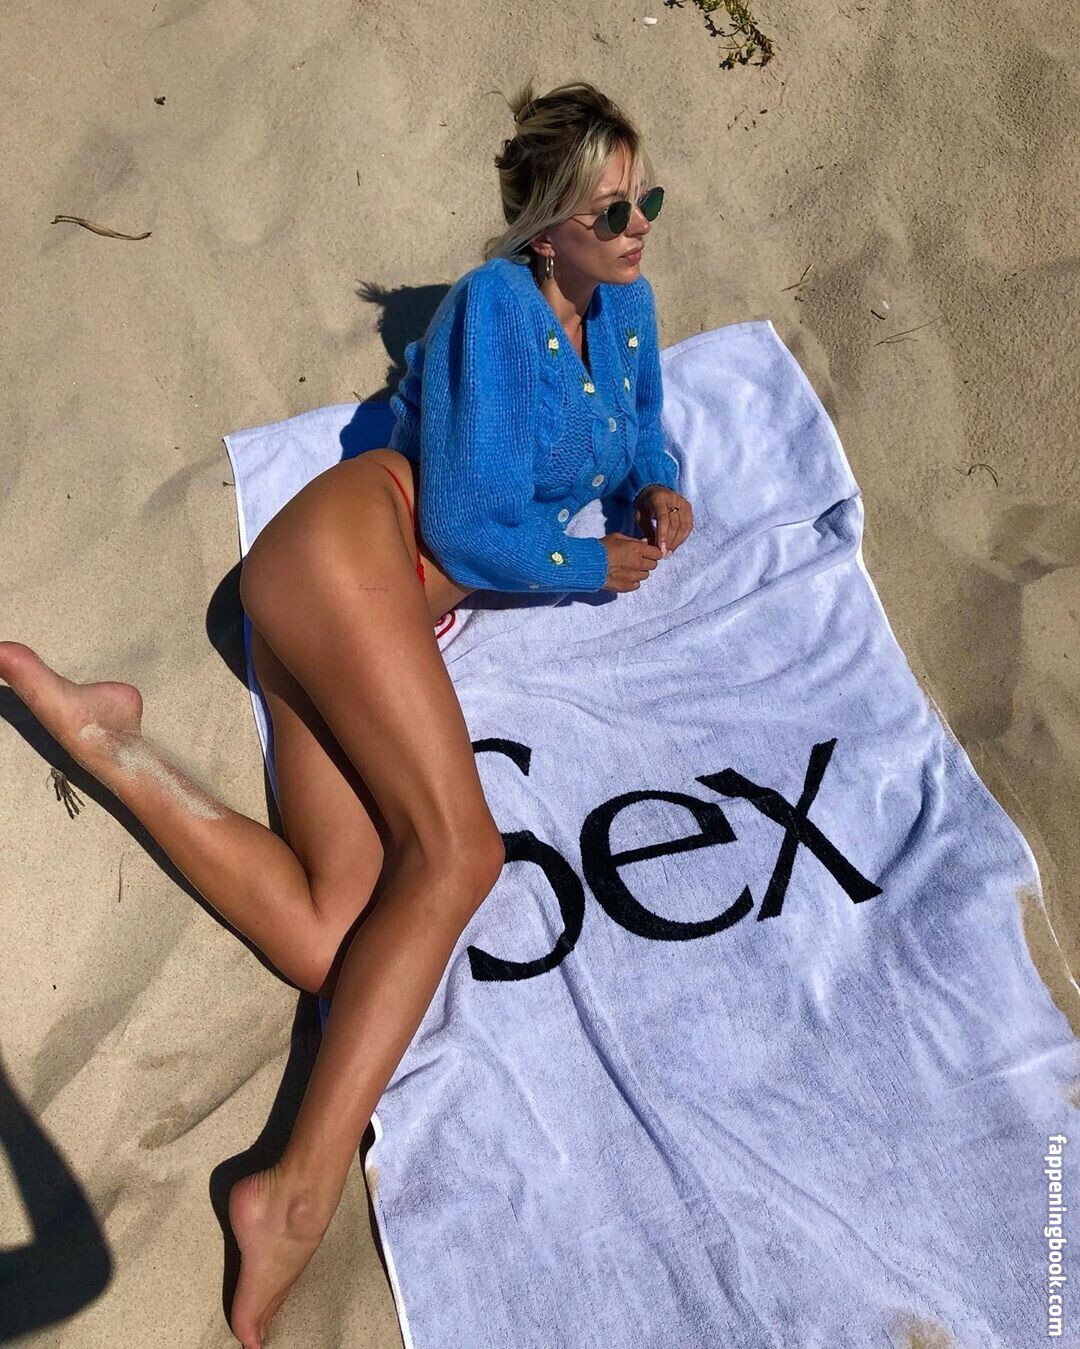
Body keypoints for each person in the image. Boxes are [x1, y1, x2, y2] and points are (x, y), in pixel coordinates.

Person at [0, 78, 695, 1348]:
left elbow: (639, 426)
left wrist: (659, 487)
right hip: (346, 555)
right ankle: (295, 1193)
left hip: (346, 619)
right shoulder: (494, 307)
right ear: (547, 230)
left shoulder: (627, 307)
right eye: (610, 211)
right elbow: (464, 525)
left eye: (644, 198)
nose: (638, 225)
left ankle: (111, 739)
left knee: (339, 939)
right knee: (460, 854)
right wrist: (587, 562)